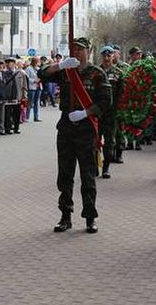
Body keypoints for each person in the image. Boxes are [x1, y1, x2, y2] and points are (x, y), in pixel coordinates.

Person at [39, 37, 112, 234]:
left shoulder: (97, 74)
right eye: (74, 49)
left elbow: (106, 102)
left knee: (87, 175)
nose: (78, 52)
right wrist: (60, 65)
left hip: (86, 128)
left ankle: (90, 217)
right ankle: (65, 215)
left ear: (89, 51)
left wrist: (86, 112)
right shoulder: (66, 71)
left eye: (81, 49)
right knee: (65, 174)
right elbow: (42, 74)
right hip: (66, 128)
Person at [97, 45, 122, 179]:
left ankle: (105, 168)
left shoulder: (118, 73)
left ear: (113, 56)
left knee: (109, 141)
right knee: (94, 140)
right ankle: (95, 165)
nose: (107, 58)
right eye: (104, 56)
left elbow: (122, 93)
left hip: (111, 113)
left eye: (109, 55)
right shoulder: (95, 71)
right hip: (97, 112)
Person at [25, 58, 42, 122]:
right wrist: (34, 81)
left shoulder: (38, 69)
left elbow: (42, 76)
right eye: (37, 62)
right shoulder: (28, 69)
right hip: (32, 87)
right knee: (30, 102)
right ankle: (27, 117)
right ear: (33, 62)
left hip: (38, 87)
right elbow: (27, 78)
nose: (38, 63)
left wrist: (40, 79)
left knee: (36, 102)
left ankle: (36, 117)